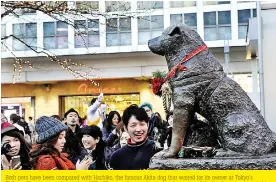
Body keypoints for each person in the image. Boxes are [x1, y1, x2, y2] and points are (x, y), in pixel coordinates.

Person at [109, 104, 162, 170]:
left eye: (142, 124)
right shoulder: (117, 157)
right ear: (125, 128)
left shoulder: (158, 151)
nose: (138, 129)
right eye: (133, 125)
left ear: (147, 125)